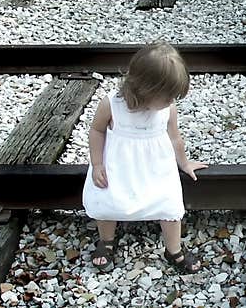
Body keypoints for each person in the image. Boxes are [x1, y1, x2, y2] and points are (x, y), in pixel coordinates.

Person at [82, 41, 207, 274]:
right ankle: (106, 240)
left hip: (156, 168)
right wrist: (97, 163)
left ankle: (174, 249)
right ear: (145, 89)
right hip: (119, 166)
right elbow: (96, 130)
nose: (172, 101)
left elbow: (175, 138)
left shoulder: (167, 109)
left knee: (170, 205)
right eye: (168, 96)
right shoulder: (112, 105)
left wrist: (184, 162)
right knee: (106, 200)